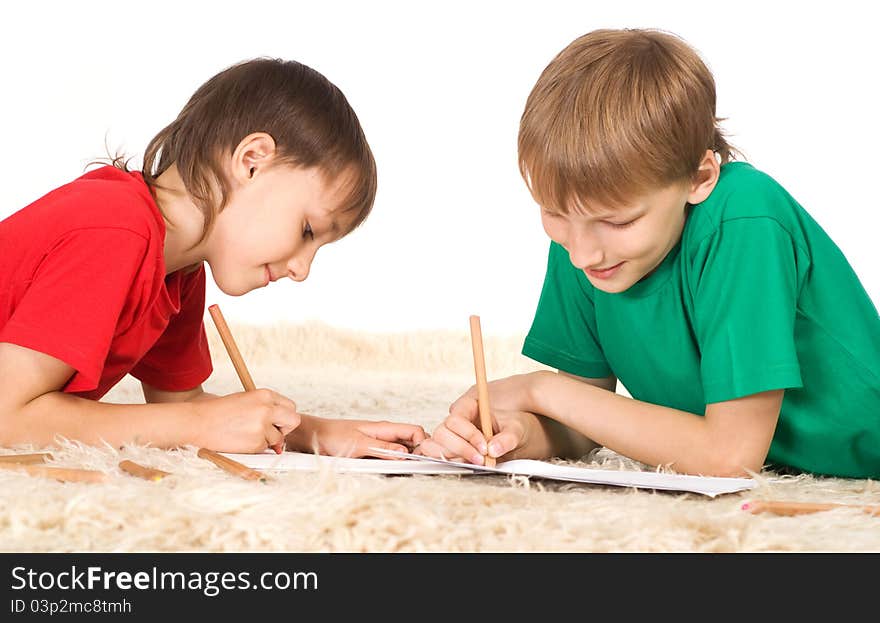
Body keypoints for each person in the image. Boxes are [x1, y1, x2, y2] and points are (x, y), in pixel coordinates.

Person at [417, 29, 880, 478]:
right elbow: (584, 420)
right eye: (553, 212)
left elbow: (729, 455)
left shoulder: (745, 217)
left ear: (699, 178)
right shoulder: (585, 235)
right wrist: (513, 434)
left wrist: (540, 389)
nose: (581, 255)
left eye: (619, 222)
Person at [0, 57, 426, 457]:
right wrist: (196, 423)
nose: (301, 269)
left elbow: (183, 405)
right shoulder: (115, 229)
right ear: (252, 161)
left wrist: (315, 433)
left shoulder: (178, 271)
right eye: (307, 231)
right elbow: (7, 417)